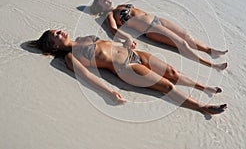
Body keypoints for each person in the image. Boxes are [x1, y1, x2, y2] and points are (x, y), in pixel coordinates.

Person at [30, 29, 227, 115]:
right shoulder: (70, 58)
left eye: (57, 30)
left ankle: (205, 87)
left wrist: (126, 42)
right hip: (126, 68)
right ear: (54, 47)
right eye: (55, 35)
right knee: (166, 85)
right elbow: (87, 77)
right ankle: (202, 107)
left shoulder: (82, 37)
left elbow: (109, 44)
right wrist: (109, 93)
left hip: (134, 54)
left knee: (173, 73)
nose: (60, 32)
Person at [90, 0, 228, 70]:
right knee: (182, 44)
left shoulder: (121, 5)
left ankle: (210, 51)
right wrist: (126, 38)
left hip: (157, 20)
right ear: (100, 8)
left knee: (187, 36)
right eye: (103, 1)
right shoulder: (110, 15)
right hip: (151, 29)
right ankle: (212, 65)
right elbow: (113, 30)